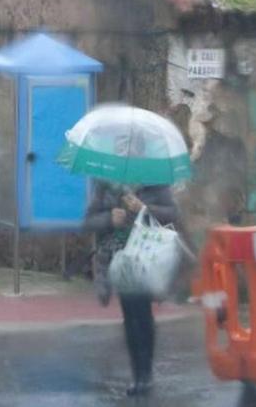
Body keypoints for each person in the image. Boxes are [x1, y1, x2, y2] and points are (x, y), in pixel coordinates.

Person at [82, 135, 180, 396]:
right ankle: (137, 375)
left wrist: (144, 207)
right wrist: (108, 219)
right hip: (120, 257)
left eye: (132, 153)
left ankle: (145, 373)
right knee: (130, 315)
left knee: (142, 314)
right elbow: (89, 220)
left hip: (146, 255)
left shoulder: (154, 181)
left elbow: (172, 213)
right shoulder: (107, 185)